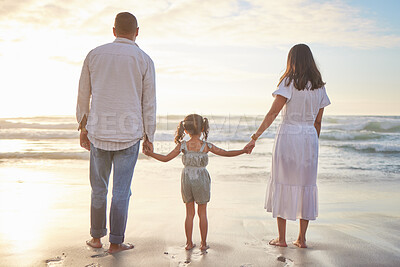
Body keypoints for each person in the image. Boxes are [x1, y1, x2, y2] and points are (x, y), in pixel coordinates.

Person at [76, 12, 156, 253]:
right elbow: (148, 102)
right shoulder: (143, 59)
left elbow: (83, 94)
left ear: (113, 30)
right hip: (129, 134)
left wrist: (82, 126)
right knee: (121, 191)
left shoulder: (94, 54)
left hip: (98, 132)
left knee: (98, 188)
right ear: (137, 32)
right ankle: (116, 242)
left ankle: (97, 239)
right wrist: (149, 136)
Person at [245, 44, 330, 248]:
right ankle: (301, 239)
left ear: (291, 60)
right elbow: (318, 122)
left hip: (289, 136)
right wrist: (312, 142)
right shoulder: (320, 86)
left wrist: (255, 136)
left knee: (282, 181)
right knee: (306, 185)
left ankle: (282, 239)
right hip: (309, 138)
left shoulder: (289, 82)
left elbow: (273, 113)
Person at [143, 114, 250, 251]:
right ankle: (203, 244)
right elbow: (226, 153)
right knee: (202, 213)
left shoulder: (183, 146)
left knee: (189, 213)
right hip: (201, 179)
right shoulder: (206, 146)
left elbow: (165, 158)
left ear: (186, 130)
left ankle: (188, 243)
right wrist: (243, 150)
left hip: (187, 178)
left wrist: (150, 154)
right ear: (203, 128)